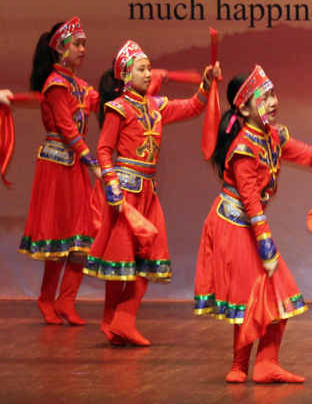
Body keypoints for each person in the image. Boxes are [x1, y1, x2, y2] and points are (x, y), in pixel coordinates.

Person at [194, 65, 312, 383]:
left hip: (254, 224)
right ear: (244, 107)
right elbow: (250, 201)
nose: (272, 102)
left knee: (280, 295)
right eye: (263, 98)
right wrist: (265, 242)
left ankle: (266, 364)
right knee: (248, 298)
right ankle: (239, 366)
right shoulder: (242, 149)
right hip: (234, 224)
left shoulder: (275, 135)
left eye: (273, 94)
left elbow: (309, 156)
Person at [83, 40, 220, 347]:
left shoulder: (155, 107)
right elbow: (104, 150)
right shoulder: (118, 108)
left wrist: (207, 83)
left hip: (148, 191)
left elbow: (193, 107)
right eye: (141, 69)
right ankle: (116, 321)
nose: (148, 74)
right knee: (123, 259)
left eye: (147, 68)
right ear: (126, 75)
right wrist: (112, 187)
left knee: (147, 256)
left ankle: (120, 320)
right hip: (125, 194)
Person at [19, 17, 102, 325]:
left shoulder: (80, 86)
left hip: (76, 165)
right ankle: (45, 298)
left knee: (83, 236)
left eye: (84, 44)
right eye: (77, 44)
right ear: (60, 49)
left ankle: (66, 300)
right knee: (58, 236)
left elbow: (103, 102)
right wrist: (90, 161)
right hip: (57, 165)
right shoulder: (55, 84)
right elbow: (67, 127)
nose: (83, 49)